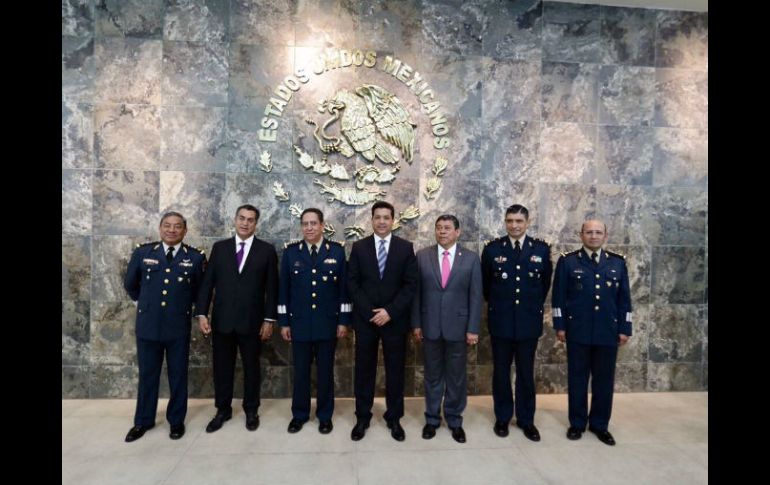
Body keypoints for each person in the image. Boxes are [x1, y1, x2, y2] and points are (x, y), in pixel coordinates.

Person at [123, 211, 206, 442]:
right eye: (167, 226)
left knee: (178, 375)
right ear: (160, 228)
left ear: (185, 230)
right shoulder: (143, 252)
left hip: (177, 327)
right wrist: (147, 304)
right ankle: (143, 421)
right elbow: (130, 284)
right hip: (148, 326)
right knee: (148, 375)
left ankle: (176, 421)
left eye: (177, 226)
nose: (172, 230)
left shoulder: (196, 258)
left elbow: (200, 293)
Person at [196, 204, 278, 433]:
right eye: (242, 218)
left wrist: (269, 320)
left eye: (250, 220)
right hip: (222, 321)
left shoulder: (266, 250)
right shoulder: (220, 248)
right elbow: (208, 283)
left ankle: (251, 409)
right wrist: (202, 313)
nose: (245, 223)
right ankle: (223, 410)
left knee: (252, 368)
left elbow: (272, 289)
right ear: (235, 220)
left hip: (253, 322)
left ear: (256, 223)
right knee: (222, 368)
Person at [552, 219, 632, 446]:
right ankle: (577, 423)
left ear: (605, 236)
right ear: (581, 235)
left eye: (598, 232)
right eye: (589, 232)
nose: (594, 236)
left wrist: (625, 328)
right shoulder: (568, 262)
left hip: (608, 331)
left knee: (604, 381)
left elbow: (624, 300)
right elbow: (559, 297)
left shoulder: (617, 263)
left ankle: (599, 425)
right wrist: (560, 325)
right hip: (578, 331)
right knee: (577, 379)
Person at [347, 201, 418, 442]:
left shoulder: (405, 248)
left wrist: (389, 311)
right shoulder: (359, 247)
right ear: (371, 219)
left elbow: (410, 286)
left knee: (395, 371)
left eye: (386, 217)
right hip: (366, 321)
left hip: (394, 321)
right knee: (364, 371)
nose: (381, 221)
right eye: (377, 217)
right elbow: (352, 284)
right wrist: (371, 312)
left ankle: (394, 417)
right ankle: (362, 417)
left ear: (393, 220)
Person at [481, 204, 552, 442]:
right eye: (510, 221)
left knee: (525, 373)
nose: (514, 225)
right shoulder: (492, 250)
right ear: (505, 222)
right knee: (500, 372)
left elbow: (543, 287)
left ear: (527, 223)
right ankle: (502, 417)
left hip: (528, 324)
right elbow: (486, 288)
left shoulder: (541, 250)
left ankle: (526, 420)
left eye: (519, 221)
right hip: (501, 322)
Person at [278, 208, 351, 434]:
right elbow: (283, 291)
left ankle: (325, 415)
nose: (309, 228)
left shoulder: (337, 252)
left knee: (325, 372)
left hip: (327, 324)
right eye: (305, 224)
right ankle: (299, 415)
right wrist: (283, 322)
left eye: (313, 223)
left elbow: (344, 291)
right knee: (300, 373)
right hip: (298, 324)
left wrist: (343, 321)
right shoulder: (291, 253)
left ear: (322, 225)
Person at [411, 215, 482, 443]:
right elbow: (416, 294)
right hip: (429, 326)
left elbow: (476, 296)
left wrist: (472, 328)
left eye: (447, 228)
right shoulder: (422, 256)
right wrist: (416, 324)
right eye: (439, 228)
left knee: (456, 377)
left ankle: (454, 419)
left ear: (457, 232)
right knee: (432, 376)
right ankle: (432, 419)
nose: (442, 232)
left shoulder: (471, 259)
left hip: (459, 329)